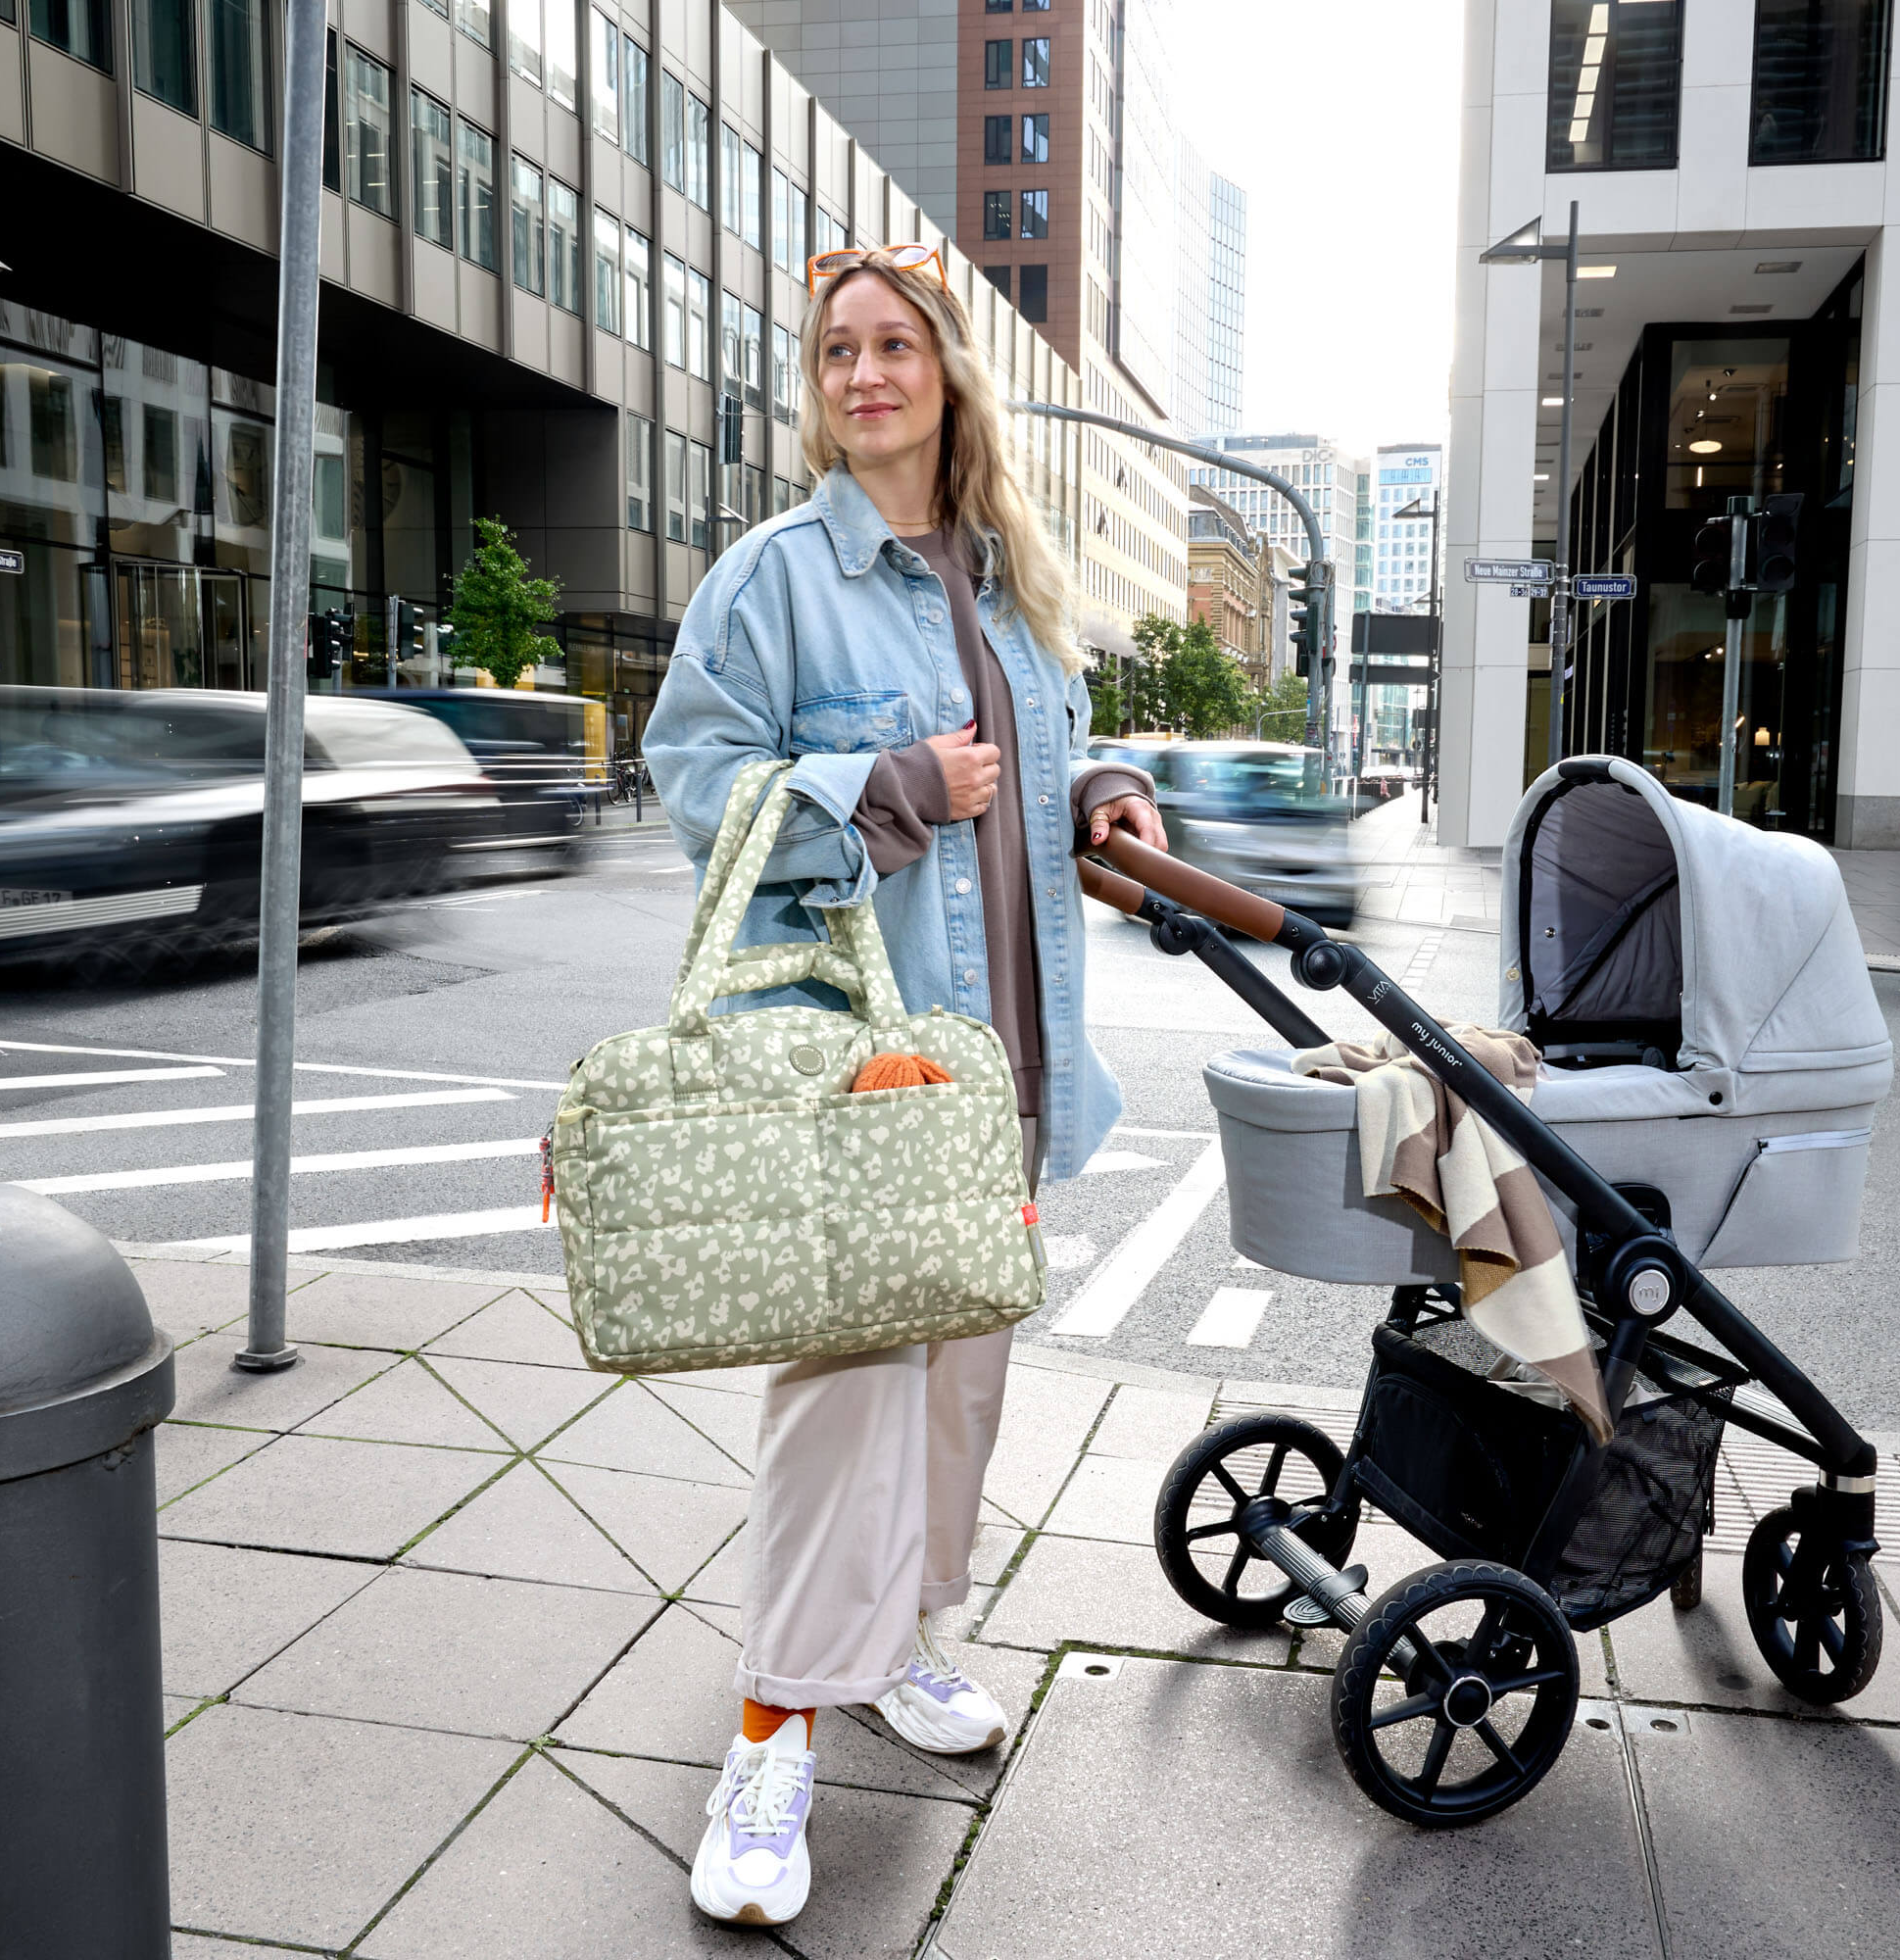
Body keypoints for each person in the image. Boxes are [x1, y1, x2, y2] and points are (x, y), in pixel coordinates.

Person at [641, 243, 1163, 1929]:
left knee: (960, 1383)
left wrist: (1109, 788)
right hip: (867, 1067)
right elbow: (696, 783)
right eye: (835, 353)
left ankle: (905, 1643)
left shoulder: (1009, 573)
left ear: (946, 373)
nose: (863, 375)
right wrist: (886, 782)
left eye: (892, 346)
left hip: (1002, 1062)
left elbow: (1041, 752)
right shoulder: (776, 579)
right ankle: (772, 1731)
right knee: (848, 1395)